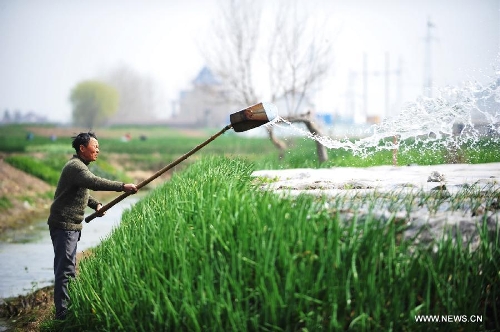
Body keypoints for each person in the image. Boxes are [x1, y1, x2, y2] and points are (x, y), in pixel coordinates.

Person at [47, 132, 138, 320]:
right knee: (65, 270)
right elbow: (94, 183)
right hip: (64, 224)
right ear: (82, 148)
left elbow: (83, 192)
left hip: (70, 225)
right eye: (95, 146)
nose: (98, 150)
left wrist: (95, 204)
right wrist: (122, 186)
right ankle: (62, 314)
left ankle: (67, 308)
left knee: (69, 266)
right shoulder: (76, 167)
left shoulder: (79, 167)